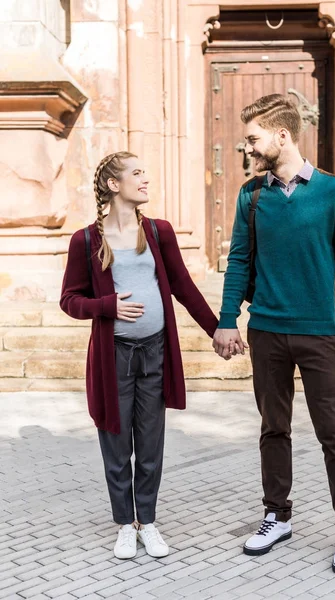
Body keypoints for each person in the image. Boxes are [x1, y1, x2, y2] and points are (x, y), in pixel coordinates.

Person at [213, 94, 335, 575]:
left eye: (253, 138)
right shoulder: (250, 195)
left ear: (282, 135)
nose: (248, 148)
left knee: (333, 432)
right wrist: (225, 318)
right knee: (273, 428)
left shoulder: (334, 191)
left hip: (320, 333)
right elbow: (240, 259)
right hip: (266, 331)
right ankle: (276, 515)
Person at [60, 151, 218, 560]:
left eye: (145, 172)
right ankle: (123, 525)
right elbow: (69, 300)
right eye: (137, 173)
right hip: (113, 357)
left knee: (150, 444)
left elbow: (183, 287)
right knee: (115, 443)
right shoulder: (86, 240)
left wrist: (218, 329)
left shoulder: (159, 231)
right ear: (114, 185)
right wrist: (106, 306)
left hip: (155, 354)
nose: (145, 179)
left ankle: (146, 522)